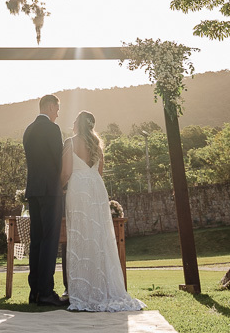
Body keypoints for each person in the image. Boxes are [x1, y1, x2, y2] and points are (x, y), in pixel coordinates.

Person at [61, 111, 146, 312]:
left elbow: (65, 172)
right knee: (99, 237)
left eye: (74, 121)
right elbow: (99, 173)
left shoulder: (70, 143)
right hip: (97, 190)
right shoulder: (98, 146)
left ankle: (84, 290)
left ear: (78, 124)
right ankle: (104, 287)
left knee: (81, 236)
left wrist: (59, 188)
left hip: (79, 190)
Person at [23, 94, 66, 307]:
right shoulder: (52, 129)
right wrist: (63, 184)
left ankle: (35, 293)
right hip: (51, 191)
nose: (58, 113)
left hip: (33, 191)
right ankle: (47, 293)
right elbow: (58, 160)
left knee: (37, 241)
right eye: (57, 109)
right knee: (50, 241)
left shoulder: (28, 130)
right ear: (50, 107)